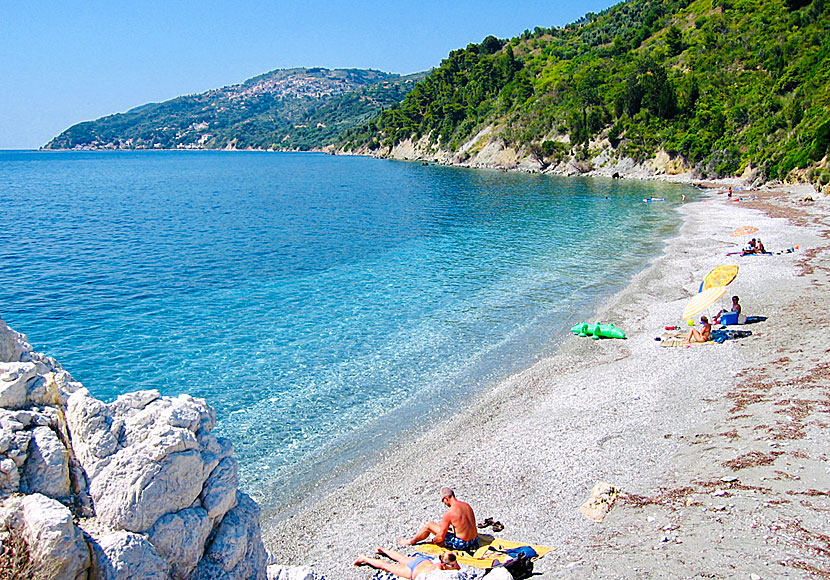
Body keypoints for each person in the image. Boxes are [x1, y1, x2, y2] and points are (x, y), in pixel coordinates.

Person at [398, 488, 479, 552]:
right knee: (441, 526)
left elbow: (440, 537)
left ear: (446, 498)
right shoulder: (466, 505)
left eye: (444, 502)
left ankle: (411, 541)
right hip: (475, 540)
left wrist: (434, 540)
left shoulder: (450, 512)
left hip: (462, 544)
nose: (445, 504)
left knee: (428, 525)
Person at [354, 547, 459, 579]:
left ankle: (382, 550)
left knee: (401, 558)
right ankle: (364, 558)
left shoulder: (440, 564)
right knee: (386, 566)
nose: (457, 566)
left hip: (422, 562)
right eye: (454, 565)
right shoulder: (439, 573)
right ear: (445, 565)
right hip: (412, 571)